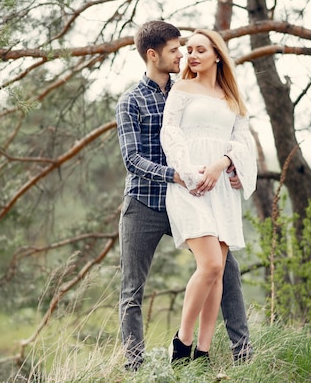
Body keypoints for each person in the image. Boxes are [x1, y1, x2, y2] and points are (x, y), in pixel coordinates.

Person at [115, 21, 253, 372]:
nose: (183, 55)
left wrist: (231, 167)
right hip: (146, 202)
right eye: (176, 50)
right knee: (132, 289)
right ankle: (134, 368)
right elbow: (132, 159)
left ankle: (242, 353)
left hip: (198, 196)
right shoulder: (131, 101)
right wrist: (176, 174)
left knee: (224, 270)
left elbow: (222, 133)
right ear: (153, 54)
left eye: (186, 49)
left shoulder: (189, 90)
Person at [160, 28, 257, 365]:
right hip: (190, 185)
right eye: (188, 50)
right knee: (211, 263)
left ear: (217, 54)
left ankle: (202, 352)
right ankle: (182, 343)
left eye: (200, 49)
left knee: (216, 273)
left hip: (221, 193)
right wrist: (188, 172)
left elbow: (244, 142)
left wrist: (225, 163)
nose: (192, 55)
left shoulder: (232, 98)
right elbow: (169, 132)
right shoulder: (181, 89)